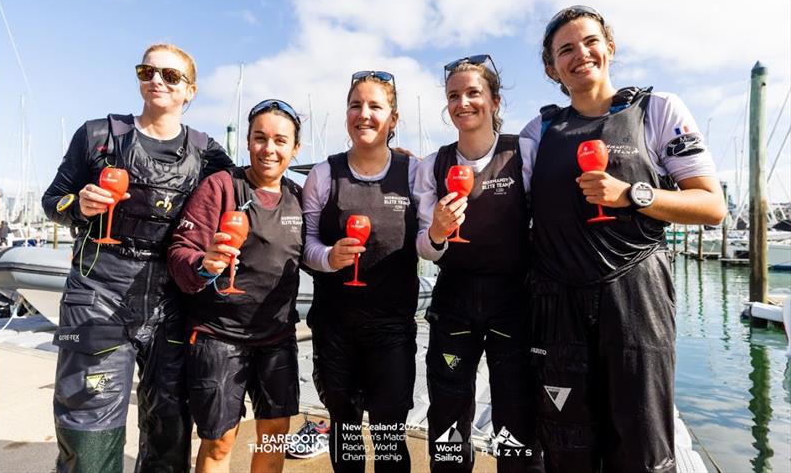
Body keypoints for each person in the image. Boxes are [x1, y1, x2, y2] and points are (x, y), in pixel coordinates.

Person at [522, 5, 727, 473]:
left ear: (609, 47)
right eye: (565, 50)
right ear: (552, 68)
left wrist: (632, 194)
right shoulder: (540, 130)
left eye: (590, 42)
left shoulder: (658, 110)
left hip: (637, 300)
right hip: (558, 306)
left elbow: (712, 207)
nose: (580, 55)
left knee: (642, 449)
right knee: (565, 448)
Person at [42, 43, 233, 473]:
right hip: (97, 292)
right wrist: (78, 205)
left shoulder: (208, 154)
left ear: (190, 91)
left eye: (170, 76)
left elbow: (246, 197)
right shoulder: (97, 136)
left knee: (169, 423)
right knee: (88, 419)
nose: (157, 81)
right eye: (147, 71)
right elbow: (52, 200)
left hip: (169, 299)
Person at [415, 55, 543, 472]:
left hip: (514, 302)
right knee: (448, 414)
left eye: (473, 93)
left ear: (494, 100)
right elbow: (425, 248)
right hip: (455, 301)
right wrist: (435, 231)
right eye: (454, 95)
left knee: (516, 412)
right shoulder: (433, 165)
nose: (463, 103)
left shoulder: (522, 152)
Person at [167, 99, 304, 473]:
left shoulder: (298, 198)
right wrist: (204, 263)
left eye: (280, 140)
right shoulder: (221, 187)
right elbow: (180, 253)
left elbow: (317, 253)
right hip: (218, 334)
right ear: (247, 142)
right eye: (260, 138)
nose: (269, 149)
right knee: (219, 440)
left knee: (275, 433)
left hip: (276, 336)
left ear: (295, 148)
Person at [302, 70, 419, 472]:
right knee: (346, 433)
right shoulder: (323, 174)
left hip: (392, 327)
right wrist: (328, 258)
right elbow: (306, 245)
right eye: (356, 105)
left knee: (389, 436)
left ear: (393, 117)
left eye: (375, 106)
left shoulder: (414, 173)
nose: (364, 114)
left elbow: (430, 242)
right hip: (335, 327)